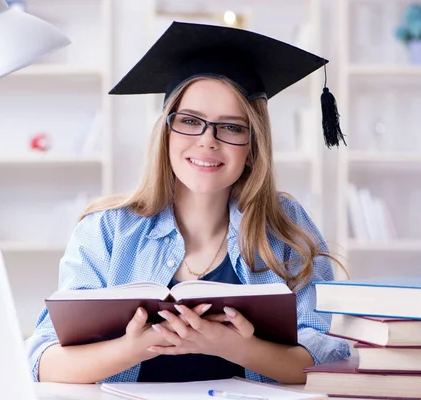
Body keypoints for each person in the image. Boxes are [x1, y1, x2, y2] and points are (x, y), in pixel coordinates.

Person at [25, 21, 350, 385]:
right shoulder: (107, 230)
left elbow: (323, 360)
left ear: (253, 146)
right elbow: (43, 361)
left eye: (231, 127)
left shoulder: (286, 229)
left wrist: (232, 346)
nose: (208, 141)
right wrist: (136, 346)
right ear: (165, 133)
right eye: (190, 121)